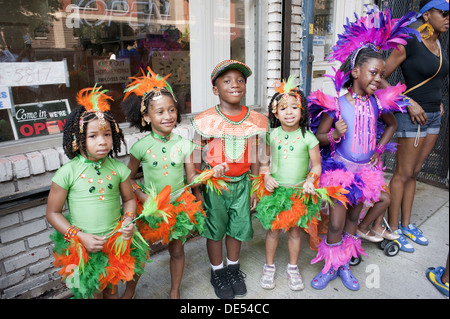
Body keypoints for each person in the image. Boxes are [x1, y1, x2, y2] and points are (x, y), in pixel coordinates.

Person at [308, 6, 417, 291]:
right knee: (335, 225)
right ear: (355, 72)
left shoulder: (377, 104)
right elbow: (318, 137)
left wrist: (379, 149)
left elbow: (391, 125)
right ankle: (329, 266)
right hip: (340, 171)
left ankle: (344, 265)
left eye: (381, 75)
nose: (378, 79)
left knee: (353, 222)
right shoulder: (337, 104)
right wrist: (333, 134)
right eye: (373, 73)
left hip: (365, 172)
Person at [120, 67, 219, 299]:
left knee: (176, 250)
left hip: (177, 207)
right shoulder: (140, 147)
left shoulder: (185, 145)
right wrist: (142, 196)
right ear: (146, 117)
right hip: (150, 208)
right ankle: (130, 291)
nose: (168, 116)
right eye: (160, 111)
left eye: (172, 110)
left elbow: (191, 177)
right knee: (139, 252)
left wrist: (206, 180)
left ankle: (174, 290)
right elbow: (127, 178)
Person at [46, 86, 149, 299]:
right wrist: (80, 236)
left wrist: (128, 220)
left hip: (114, 242)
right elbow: (53, 213)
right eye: (92, 136)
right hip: (84, 247)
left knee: (112, 291)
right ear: (77, 138)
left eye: (107, 134)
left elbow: (129, 200)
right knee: (93, 294)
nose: (102, 141)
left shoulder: (119, 169)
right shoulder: (67, 172)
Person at [191, 60, 269, 299]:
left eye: (240, 80)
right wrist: (196, 189)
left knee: (237, 228)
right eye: (227, 81)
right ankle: (217, 271)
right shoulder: (205, 120)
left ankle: (233, 268)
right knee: (215, 230)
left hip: (243, 184)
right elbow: (195, 154)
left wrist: (256, 185)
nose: (235, 85)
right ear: (216, 89)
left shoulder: (256, 119)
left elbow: (257, 154)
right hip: (214, 187)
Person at [384, 0, 449, 253]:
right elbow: (381, 78)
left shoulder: (439, 42)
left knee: (416, 171)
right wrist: (407, 100)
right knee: (403, 172)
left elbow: (436, 79)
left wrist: (439, 102)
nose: (447, 18)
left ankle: (407, 223)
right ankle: (392, 228)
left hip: (434, 115)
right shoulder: (409, 40)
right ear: (426, 14)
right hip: (411, 117)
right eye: (444, 13)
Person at [253, 76, 323, 291]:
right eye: (283, 108)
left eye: (295, 107)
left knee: (294, 232)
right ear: (275, 113)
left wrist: (311, 180)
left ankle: (292, 268)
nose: (289, 112)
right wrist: (265, 175)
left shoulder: (308, 137)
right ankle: (269, 266)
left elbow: (317, 166)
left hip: (298, 193)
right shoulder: (271, 135)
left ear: (302, 111)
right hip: (275, 191)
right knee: (273, 230)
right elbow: (263, 161)